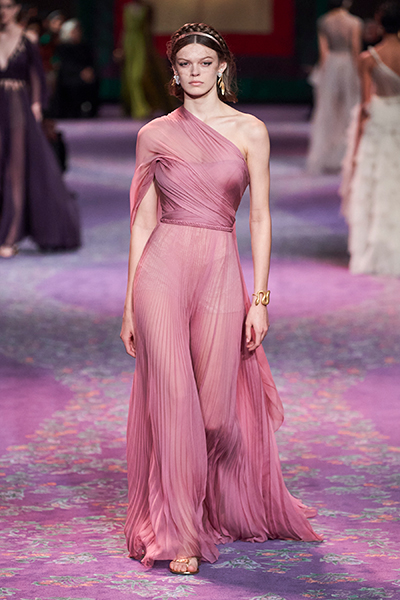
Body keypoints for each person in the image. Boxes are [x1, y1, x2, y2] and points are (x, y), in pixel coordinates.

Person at [120, 22, 322, 576]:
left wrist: (261, 298)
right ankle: (180, 531)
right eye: (184, 64)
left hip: (219, 270)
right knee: (173, 405)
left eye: (204, 63)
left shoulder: (251, 130)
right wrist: (130, 303)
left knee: (213, 416)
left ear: (222, 68)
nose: (194, 72)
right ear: (173, 71)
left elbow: (260, 217)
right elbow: (143, 222)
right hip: (161, 272)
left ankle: (208, 502)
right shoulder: (154, 134)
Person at [0, 0, 80, 257]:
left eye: (8, 6)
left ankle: (9, 236)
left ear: (17, 9)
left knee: (15, 172)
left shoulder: (28, 39)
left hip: (17, 108)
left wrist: (36, 105)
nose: (3, 11)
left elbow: (36, 75)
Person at [341, 1, 400, 276]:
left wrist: (355, 149)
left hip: (380, 121)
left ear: (379, 22)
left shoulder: (368, 58)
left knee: (380, 185)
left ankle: (379, 249)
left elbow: (365, 106)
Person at [307, 0, 363, 173]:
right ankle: (346, 156)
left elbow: (323, 51)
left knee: (328, 110)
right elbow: (355, 48)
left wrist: (323, 73)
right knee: (349, 110)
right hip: (348, 65)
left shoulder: (324, 21)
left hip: (331, 64)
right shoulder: (354, 22)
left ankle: (326, 156)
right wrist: (359, 73)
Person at [51, 19, 99, 119]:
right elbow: (64, 64)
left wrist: (89, 71)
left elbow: (91, 62)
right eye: (74, 31)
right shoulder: (63, 47)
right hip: (70, 75)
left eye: (78, 31)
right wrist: (80, 72)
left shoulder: (84, 46)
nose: (77, 33)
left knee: (94, 79)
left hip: (85, 74)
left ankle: (91, 110)